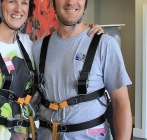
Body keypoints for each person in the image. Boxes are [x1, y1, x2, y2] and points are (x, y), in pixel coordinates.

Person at [0, 0, 104, 140]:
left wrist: (90, 36)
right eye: (12, 1)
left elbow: (59, 60)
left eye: (24, 2)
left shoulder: (29, 44)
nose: (18, 9)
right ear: (0, 5)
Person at [32, 0, 132, 140]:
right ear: (53, 3)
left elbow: (121, 103)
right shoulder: (38, 48)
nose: (71, 2)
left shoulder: (105, 45)